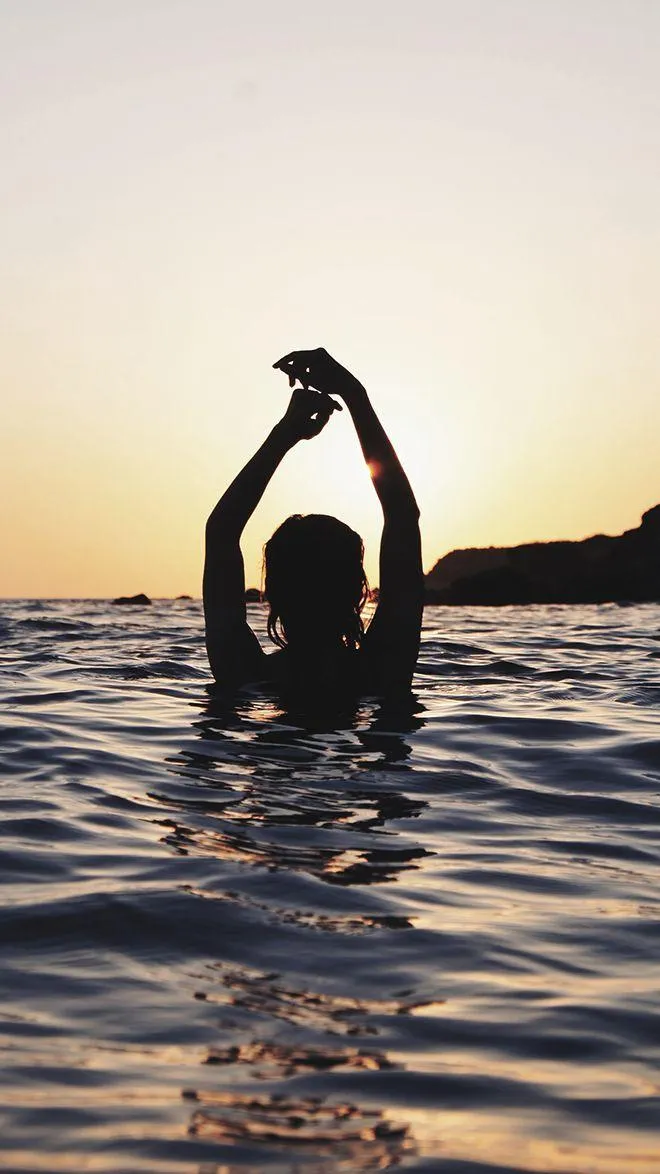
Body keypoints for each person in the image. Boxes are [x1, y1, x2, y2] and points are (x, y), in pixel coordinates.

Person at [203, 348, 423, 695]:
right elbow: (402, 517)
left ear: (271, 591)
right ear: (359, 589)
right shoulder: (381, 671)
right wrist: (354, 394)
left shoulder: (244, 671)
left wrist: (285, 433)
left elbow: (220, 533)